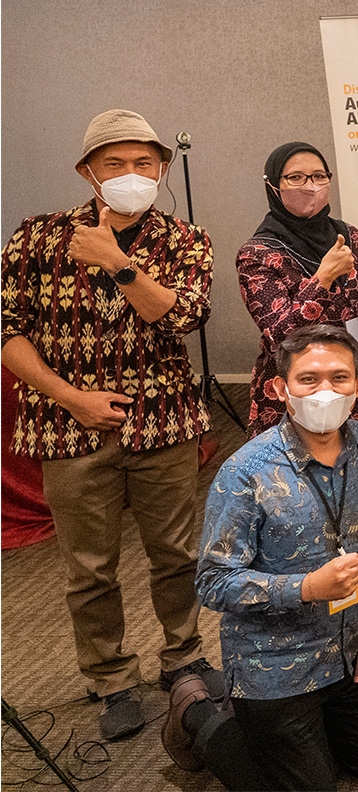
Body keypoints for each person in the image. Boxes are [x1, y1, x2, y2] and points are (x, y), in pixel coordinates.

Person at [1, 109, 220, 742]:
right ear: (88, 172)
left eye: (143, 164)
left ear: (162, 168)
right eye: (115, 164)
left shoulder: (186, 240)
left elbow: (181, 318)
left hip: (166, 424)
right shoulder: (37, 238)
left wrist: (115, 262)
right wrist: (71, 397)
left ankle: (183, 658)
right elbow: (9, 333)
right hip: (68, 429)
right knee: (89, 567)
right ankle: (110, 678)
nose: (131, 175)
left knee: (176, 554)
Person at [167, 323, 358, 790]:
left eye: (340, 377)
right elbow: (212, 581)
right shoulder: (244, 472)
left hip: (349, 645)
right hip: (273, 665)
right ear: (280, 388)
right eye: (309, 379)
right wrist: (305, 588)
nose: (326, 391)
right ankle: (196, 713)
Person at [237, 141, 358, 434]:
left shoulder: (347, 235)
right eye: (296, 177)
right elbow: (279, 332)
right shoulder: (257, 252)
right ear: (273, 185)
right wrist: (322, 280)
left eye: (319, 176)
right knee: (297, 476)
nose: (310, 186)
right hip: (300, 393)